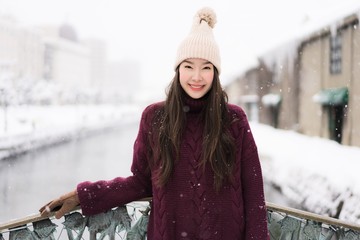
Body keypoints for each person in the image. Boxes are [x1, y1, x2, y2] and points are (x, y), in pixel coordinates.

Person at [40, 7, 269, 239]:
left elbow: (253, 193)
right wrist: (84, 195)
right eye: (188, 66)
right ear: (178, 69)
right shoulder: (155, 118)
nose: (196, 76)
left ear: (215, 73)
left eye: (206, 68)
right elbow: (140, 182)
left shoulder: (234, 120)